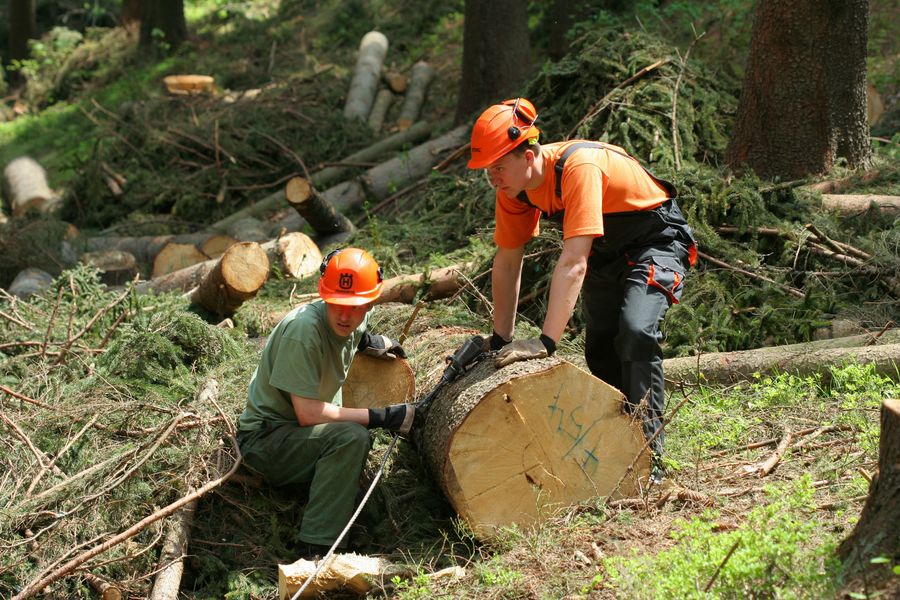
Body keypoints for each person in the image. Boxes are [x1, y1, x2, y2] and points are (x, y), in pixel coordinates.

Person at [467, 98, 697, 483]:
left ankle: (651, 455)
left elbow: (575, 261)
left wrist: (545, 342)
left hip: (655, 242)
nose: (493, 177)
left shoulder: (578, 167)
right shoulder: (514, 190)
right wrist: (500, 337)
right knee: (601, 350)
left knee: (636, 331)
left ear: (528, 155)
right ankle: (617, 442)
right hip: (609, 252)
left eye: (499, 166)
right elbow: (508, 261)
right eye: (488, 169)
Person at [236, 247, 415, 558]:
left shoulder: (356, 311)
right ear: (324, 296)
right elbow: (307, 414)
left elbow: (353, 327)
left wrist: (369, 342)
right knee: (351, 437)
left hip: (302, 436)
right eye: (335, 304)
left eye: (356, 307)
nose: (345, 315)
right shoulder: (303, 332)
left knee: (372, 510)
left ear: (370, 301)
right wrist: (383, 416)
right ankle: (318, 547)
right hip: (267, 440)